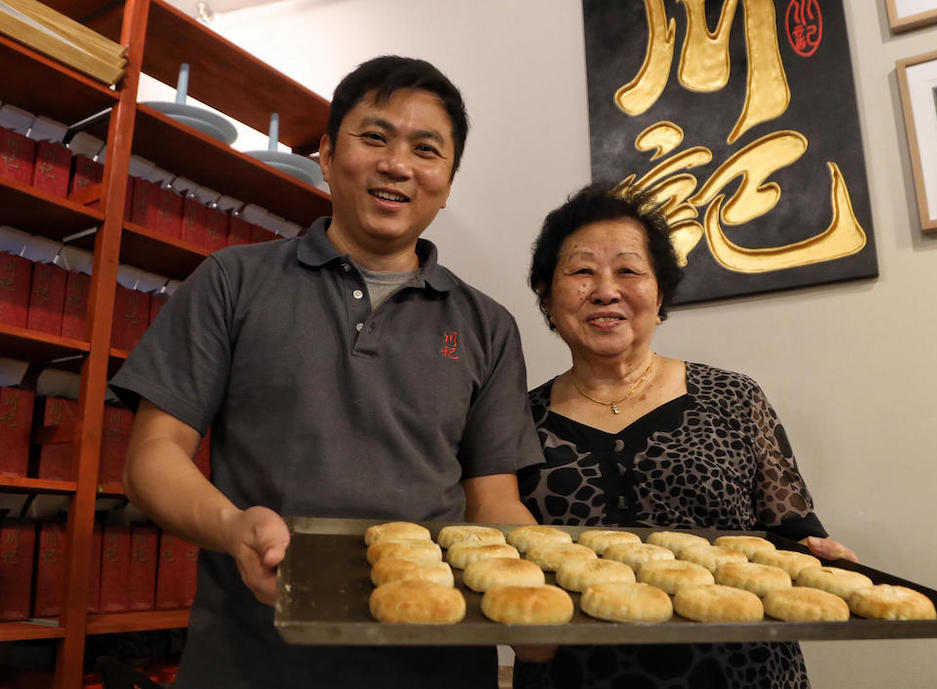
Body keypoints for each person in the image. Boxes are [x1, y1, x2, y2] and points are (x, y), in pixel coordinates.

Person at [110, 55, 541, 689]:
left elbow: (493, 499)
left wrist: (538, 583)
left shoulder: (487, 324)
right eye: (375, 137)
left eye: (426, 150)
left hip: (434, 660)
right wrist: (233, 527)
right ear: (328, 155)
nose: (397, 165)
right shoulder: (233, 281)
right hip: (253, 656)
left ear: (448, 184)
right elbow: (152, 457)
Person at [513, 182, 857, 689]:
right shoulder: (517, 418)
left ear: (660, 293)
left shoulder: (734, 398)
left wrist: (823, 557)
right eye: (581, 271)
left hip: (740, 672)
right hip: (571, 674)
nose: (605, 290)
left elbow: (792, 533)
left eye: (629, 271)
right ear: (547, 294)